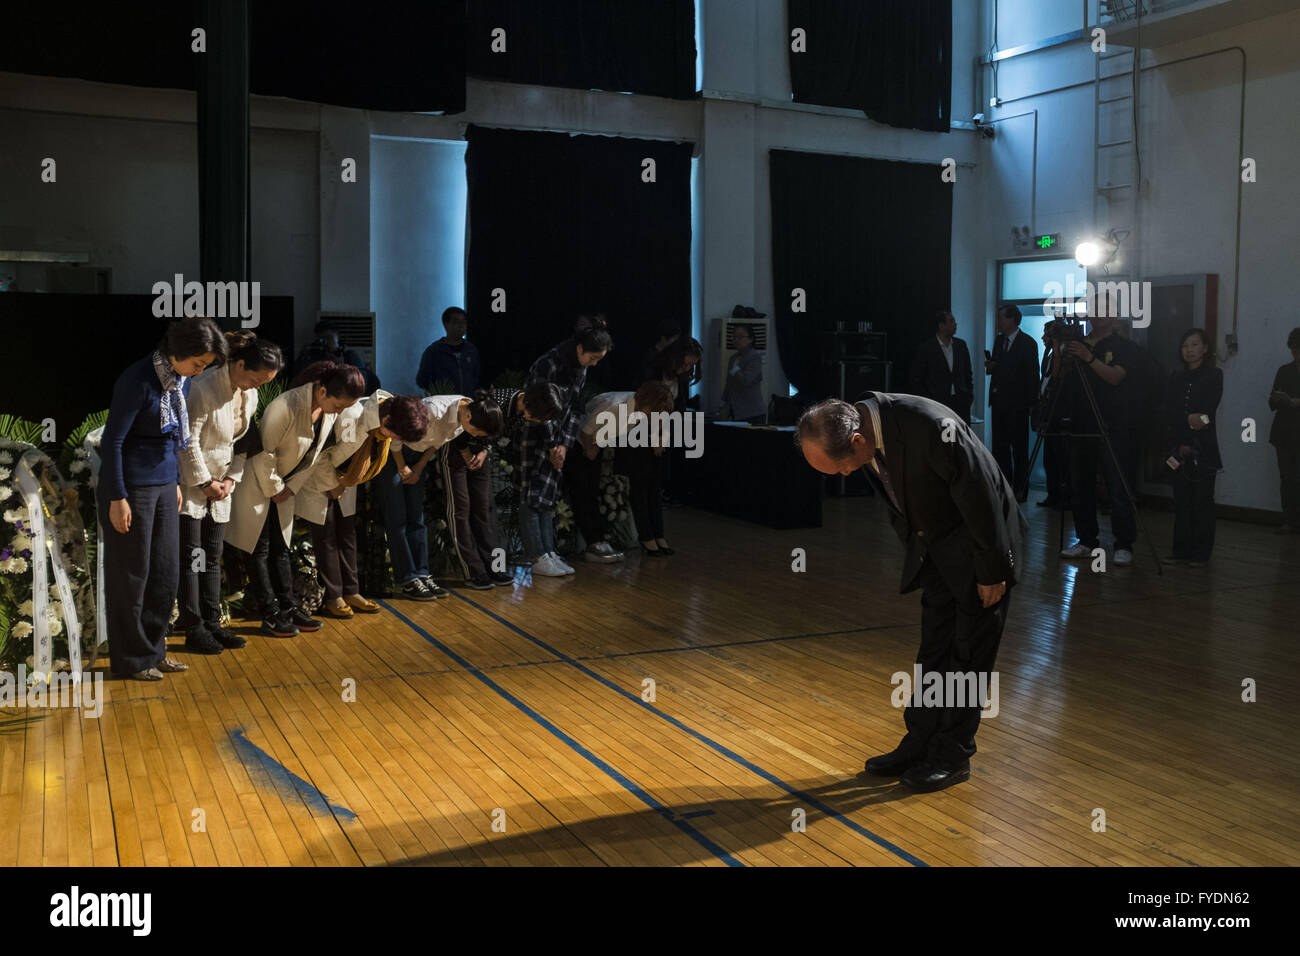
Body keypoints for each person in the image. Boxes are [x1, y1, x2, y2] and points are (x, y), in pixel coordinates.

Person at [796, 395, 1027, 792]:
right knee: (934, 651)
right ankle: (920, 742)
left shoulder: (930, 427)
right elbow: (897, 501)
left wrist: (992, 570)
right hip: (936, 551)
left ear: (856, 442)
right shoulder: (866, 430)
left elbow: (981, 493)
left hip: (981, 548)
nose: (844, 476)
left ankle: (952, 755)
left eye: (840, 468)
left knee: (968, 658)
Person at [99, 316, 227, 680]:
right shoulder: (137, 379)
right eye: (198, 363)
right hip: (132, 488)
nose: (200, 370)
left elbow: (174, 439)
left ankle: (155, 651)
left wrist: (174, 482)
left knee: (165, 573)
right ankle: (132, 659)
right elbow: (113, 442)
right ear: (178, 351)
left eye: (205, 365)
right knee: (132, 575)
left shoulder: (181, 382)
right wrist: (116, 496)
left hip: (163, 484)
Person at [227, 360, 365, 637]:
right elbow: (262, 453)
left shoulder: (328, 412)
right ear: (323, 391)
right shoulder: (285, 406)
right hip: (258, 483)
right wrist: (277, 488)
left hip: (287, 486)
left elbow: (313, 458)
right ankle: (269, 613)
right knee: (260, 549)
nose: (340, 413)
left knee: (281, 547)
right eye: (339, 406)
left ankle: (288, 608)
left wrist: (289, 488)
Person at [177, 331, 283, 654]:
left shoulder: (248, 394)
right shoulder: (204, 387)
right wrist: (205, 482)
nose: (258, 387)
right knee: (192, 558)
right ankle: (193, 627)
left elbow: (242, 441)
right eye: (256, 378)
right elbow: (187, 440)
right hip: (195, 486)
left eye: (265, 383)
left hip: (221, 487)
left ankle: (213, 622)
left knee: (213, 556)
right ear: (238, 364)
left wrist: (231, 480)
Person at [295, 390, 430, 618]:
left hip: (346, 481)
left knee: (347, 534)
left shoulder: (384, 416)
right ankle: (333, 596)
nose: (395, 440)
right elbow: (321, 454)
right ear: (387, 420)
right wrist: (332, 483)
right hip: (320, 478)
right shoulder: (352, 415)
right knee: (326, 535)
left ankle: (351, 591)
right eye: (396, 435)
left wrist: (343, 484)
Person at [375, 391, 502, 599]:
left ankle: (422, 574)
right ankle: (408, 578)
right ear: (469, 417)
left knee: (417, 516)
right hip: (393, 452)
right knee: (397, 517)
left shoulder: (465, 414)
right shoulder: (434, 409)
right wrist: (402, 466)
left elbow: (437, 443)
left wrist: (418, 468)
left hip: (418, 456)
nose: (475, 437)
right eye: (477, 432)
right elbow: (396, 436)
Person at [522, 320, 613, 578]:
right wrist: (553, 445)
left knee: (549, 497)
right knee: (532, 496)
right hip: (536, 435)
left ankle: (549, 551)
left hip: (559, 439)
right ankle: (537, 554)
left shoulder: (580, 369)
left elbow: (575, 408)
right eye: (593, 357)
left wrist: (564, 444)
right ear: (579, 347)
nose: (594, 363)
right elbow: (539, 409)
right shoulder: (548, 364)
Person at [1058, 313, 1142, 566]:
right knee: (1080, 485)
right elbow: (1059, 377)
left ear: (1113, 315)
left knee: (1117, 487)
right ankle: (1086, 540)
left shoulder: (1123, 346)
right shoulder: (1078, 343)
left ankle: (1123, 543)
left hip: (1112, 423)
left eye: (1104, 309)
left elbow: (1115, 377)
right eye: (1094, 308)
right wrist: (1059, 349)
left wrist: (1088, 357)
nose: (1098, 314)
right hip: (1080, 422)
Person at [597, 382, 677, 557]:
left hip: (646, 442)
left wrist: (660, 437)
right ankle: (647, 536)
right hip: (630, 442)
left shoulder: (659, 406)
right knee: (639, 490)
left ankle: (658, 534)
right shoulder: (626, 405)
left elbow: (664, 422)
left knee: (654, 490)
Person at [1164, 329, 1222, 566]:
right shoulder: (1175, 377)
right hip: (1178, 445)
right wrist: (1187, 420)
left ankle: (1201, 554)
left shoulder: (1214, 374)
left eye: (1195, 345)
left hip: (1204, 447)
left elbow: (1207, 415)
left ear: (1205, 348)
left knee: (1202, 502)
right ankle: (1181, 551)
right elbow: (1168, 412)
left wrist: (1190, 420)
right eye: (1185, 345)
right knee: (1182, 501)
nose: (1189, 349)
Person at [985, 304, 1039, 501]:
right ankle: (1004, 485)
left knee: (1019, 448)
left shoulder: (1028, 343)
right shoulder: (999, 341)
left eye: (1001, 318)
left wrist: (1032, 404)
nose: (998, 322)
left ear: (1012, 320)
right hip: (999, 401)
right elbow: (1000, 367)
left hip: (1018, 404)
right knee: (1000, 447)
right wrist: (992, 367)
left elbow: (1033, 376)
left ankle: (1021, 488)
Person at [909, 310, 973, 425]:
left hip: (960, 402)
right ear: (941, 325)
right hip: (938, 403)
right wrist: (928, 401)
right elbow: (917, 378)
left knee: (960, 439)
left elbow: (968, 374)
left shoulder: (961, 345)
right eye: (951, 321)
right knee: (942, 438)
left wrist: (969, 396)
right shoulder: (927, 348)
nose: (955, 324)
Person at [1268, 327, 1300, 533]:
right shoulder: (1284, 370)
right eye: (1294, 351)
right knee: (1287, 477)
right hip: (1285, 431)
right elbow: (1273, 399)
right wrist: (1279, 399)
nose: (1296, 355)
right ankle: (1289, 520)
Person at [291, 319, 380, 393]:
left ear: (337, 337)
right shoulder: (316, 356)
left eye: (329, 338)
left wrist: (342, 366)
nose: (326, 343)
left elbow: (362, 382)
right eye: (322, 340)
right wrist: (303, 355)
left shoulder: (350, 356)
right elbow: (298, 378)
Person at [1034, 322, 1069, 509]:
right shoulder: (1049, 354)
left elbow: (1056, 375)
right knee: (1049, 458)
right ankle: (1052, 493)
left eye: (1047, 335)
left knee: (1061, 456)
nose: (1043, 338)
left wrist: (1056, 349)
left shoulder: (1063, 353)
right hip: (1048, 409)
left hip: (1060, 411)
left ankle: (1064, 495)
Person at [416, 306, 480, 395]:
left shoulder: (471, 350)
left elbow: (476, 378)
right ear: (446, 325)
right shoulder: (434, 351)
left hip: (467, 403)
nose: (461, 326)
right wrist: (439, 394)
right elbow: (422, 380)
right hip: (443, 405)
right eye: (456, 322)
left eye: (464, 322)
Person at [721, 324, 767, 424]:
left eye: (740, 337)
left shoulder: (755, 357)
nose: (736, 340)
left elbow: (746, 380)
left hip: (753, 412)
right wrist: (725, 405)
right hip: (737, 411)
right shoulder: (733, 358)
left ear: (750, 339)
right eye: (734, 337)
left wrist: (736, 369)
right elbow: (729, 383)